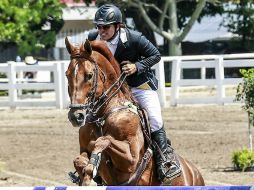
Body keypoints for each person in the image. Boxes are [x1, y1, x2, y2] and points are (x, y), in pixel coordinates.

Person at [88, 4, 181, 182]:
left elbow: (155, 55)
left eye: (105, 27)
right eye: (98, 26)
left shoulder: (134, 38)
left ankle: (165, 159)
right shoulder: (93, 39)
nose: (101, 30)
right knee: (91, 118)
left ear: (118, 26)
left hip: (139, 86)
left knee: (154, 118)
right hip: (113, 90)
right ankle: (94, 165)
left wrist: (136, 66)